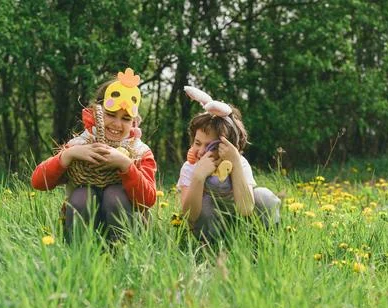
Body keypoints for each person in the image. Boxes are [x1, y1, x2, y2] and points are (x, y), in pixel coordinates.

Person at [31, 68, 157, 243]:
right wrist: (68, 155)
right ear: (95, 113)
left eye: (126, 119)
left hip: (128, 227)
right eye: (111, 115)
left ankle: (122, 254)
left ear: (134, 121)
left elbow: (148, 200)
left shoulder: (140, 151)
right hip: (83, 224)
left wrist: (126, 165)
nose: (117, 124)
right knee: (82, 196)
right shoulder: (82, 144)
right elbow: (38, 182)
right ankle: (80, 255)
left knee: (115, 195)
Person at [177, 86, 281, 242]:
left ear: (228, 146)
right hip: (210, 227)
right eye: (197, 143)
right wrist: (198, 177)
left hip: (240, 223)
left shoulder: (239, 163)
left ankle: (264, 242)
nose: (201, 151)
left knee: (263, 196)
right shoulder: (190, 167)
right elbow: (189, 216)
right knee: (203, 205)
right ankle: (210, 248)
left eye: (210, 146)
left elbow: (246, 209)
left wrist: (236, 164)